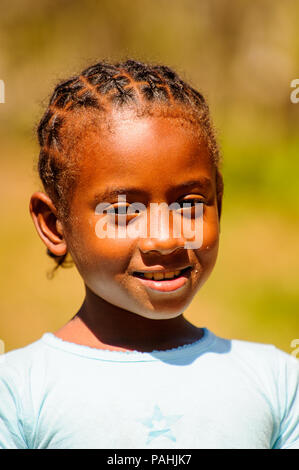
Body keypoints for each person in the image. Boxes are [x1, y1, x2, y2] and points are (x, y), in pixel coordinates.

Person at [0, 59, 298, 449]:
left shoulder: (277, 383)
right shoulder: (18, 393)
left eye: (189, 204)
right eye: (124, 211)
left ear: (218, 205)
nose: (165, 239)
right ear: (56, 225)